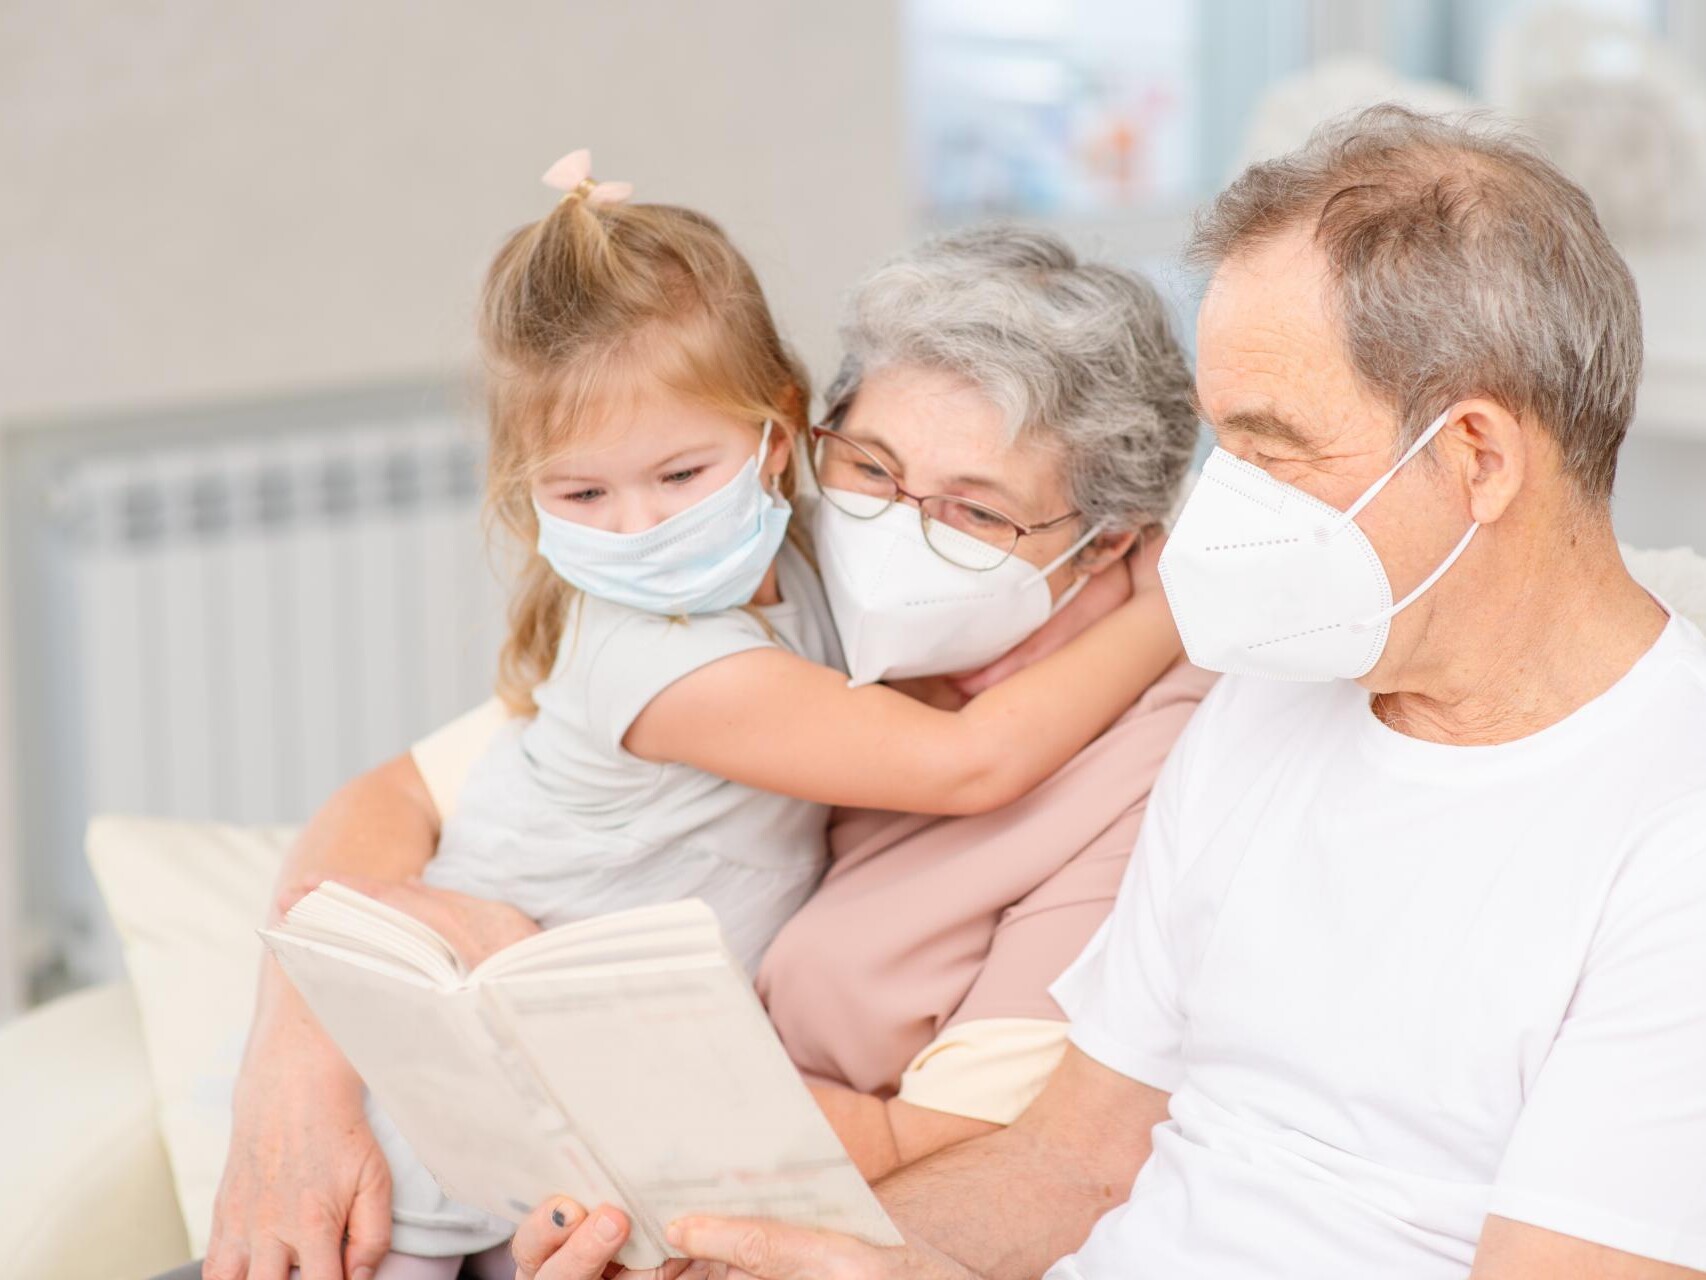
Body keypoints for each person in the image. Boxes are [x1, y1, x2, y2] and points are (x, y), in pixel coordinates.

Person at [513, 105, 1706, 1280]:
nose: (1217, 507)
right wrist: (764, 1257)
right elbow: (1073, 1159)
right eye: (1214, 445)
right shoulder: (1268, 701)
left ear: (1475, 458)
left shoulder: (1665, 833)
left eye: (1267, 444)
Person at [181, 218, 1208, 1280]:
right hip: (455, 1149)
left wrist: (1182, 601)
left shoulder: (1149, 769)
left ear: (1113, 538)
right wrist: (292, 1071)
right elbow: (392, 798)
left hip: (640, 1198)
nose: (898, 528)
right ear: (811, 441)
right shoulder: (724, 592)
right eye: (868, 463)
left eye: (974, 510)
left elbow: (985, 1153)